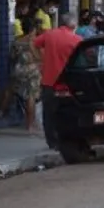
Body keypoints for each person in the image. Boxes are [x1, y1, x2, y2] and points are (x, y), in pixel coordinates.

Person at [33, 12, 82, 148]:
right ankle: (67, 140)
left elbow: (34, 43)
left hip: (49, 81)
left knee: (49, 113)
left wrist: (40, 59)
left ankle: (52, 142)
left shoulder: (49, 35)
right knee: (69, 112)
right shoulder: (77, 40)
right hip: (67, 82)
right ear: (73, 25)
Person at [10, 15, 42, 133]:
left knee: (20, 95)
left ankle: (4, 114)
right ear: (33, 29)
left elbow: (12, 57)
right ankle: (30, 125)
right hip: (32, 71)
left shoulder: (17, 42)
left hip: (19, 70)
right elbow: (39, 57)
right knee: (31, 97)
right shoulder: (35, 42)